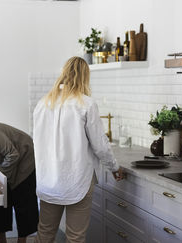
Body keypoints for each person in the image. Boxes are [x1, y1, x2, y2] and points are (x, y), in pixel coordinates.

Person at [33, 56, 125, 243]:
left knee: (45, 233)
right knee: (75, 236)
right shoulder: (86, 104)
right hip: (77, 180)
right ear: (84, 77)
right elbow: (100, 145)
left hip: (48, 179)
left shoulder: (43, 103)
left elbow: (38, 140)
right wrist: (114, 167)